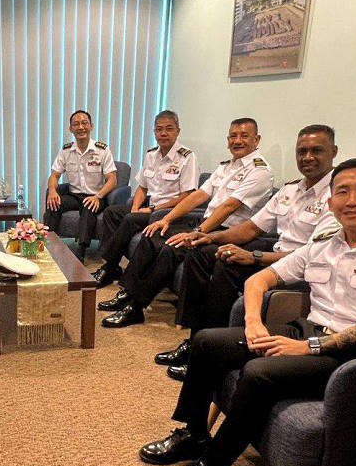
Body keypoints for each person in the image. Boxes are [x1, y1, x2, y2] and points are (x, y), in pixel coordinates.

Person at [139, 158, 356, 466]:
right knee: (207, 342)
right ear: (331, 201)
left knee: (259, 372)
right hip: (307, 331)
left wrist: (308, 347)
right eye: (342, 191)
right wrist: (252, 323)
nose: (352, 199)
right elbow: (258, 279)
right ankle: (194, 434)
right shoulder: (324, 242)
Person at [158, 124, 340, 379]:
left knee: (227, 264)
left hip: (299, 268)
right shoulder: (291, 190)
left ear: (333, 151)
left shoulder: (338, 196)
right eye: (302, 151)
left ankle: (211, 349)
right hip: (275, 252)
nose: (307, 157)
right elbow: (251, 229)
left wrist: (253, 256)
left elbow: (310, 256)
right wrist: (208, 236)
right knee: (201, 251)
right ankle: (195, 339)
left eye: (316, 151)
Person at [99, 118, 273, 328]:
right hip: (206, 222)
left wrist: (197, 232)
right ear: (227, 139)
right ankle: (127, 293)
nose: (237, 140)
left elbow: (228, 207)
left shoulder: (259, 171)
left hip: (230, 233)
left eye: (244, 136)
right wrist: (165, 219)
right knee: (153, 233)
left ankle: (135, 307)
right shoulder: (227, 167)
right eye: (233, 136)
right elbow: (199, 195)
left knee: (172, 247)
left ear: (257, 139)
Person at [91, 110, 199, 287]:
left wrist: (152, 209)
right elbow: (142, 186)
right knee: (112, 212)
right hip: (150, 205)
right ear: (154, 132)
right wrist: (135, 206)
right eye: (159, 129)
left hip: (168, 211)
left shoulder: (187, 157)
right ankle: (113, 264)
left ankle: (109, 267)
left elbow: (187, 196)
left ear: (177, 131)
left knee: (130, 219)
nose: (163, 133)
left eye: (169, 129)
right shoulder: (151, 155)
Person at [43, 109, 118, 261]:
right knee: (54, 203)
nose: (80, 127)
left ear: (91, 126)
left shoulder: (102, 150)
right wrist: (52, 190)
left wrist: (98, 196)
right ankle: (48, 244)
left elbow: (112, 179)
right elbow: (54, 175)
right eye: (76, 124)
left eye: (84, 123)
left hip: (96, 196)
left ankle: (81, 249)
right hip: (74, 195)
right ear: (71, 129)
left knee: (88, 205)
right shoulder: (66, 150)